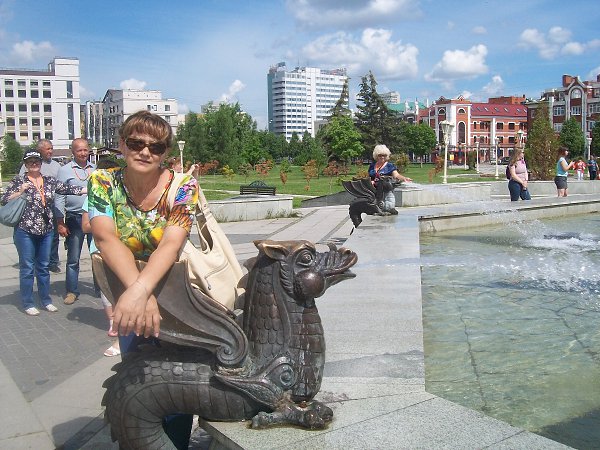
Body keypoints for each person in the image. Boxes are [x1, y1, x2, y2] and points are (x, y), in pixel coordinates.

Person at [87, 110, 198, 448]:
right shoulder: (102, 181)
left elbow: (172, 243)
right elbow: (105, 238)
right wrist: (139, 293)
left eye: (156, 146)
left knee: (178, 379)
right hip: (126, 289)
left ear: (165, 152)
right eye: (136, 143)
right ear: (122, 144)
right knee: (138, 375)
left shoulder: (183, 185)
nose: (145, 152)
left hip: (174, 295)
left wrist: (141, 290)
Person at [2, 151, 85, 316]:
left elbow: (68, 189)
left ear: (41, 163)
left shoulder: (49, 181)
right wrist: (20, 191)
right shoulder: (19, 180)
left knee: (43, 267)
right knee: (27, 267)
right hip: (25, 230)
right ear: (25, 164)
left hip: (46, 230)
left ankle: (45, 300)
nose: (34, 164)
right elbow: (4, 199)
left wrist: (89, 189)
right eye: (30, 161)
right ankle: (28, 302)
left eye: (36, 161)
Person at [81, 158, 121, 357]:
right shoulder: (92, 197)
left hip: (121, 248)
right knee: (105, 288)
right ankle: (113, 323)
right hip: (99, 249)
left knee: (122, 288)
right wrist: (105, 223)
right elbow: (85, 226)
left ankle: (122, 330)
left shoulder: (121, 194)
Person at [55, 138, 96, 305]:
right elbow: (59, 196)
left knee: (98, 255)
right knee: (73, 258)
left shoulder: (95, 168)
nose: (83, 153)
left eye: (85, 150)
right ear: (73, 152)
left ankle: (101, 289)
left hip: (94, 217)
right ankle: (72, 291)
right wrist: (60, 221)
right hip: (74, 217)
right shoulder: (64, 170)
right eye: (79, 150)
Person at [19, 139, 62, 272]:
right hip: (32, 209)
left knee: (53, 236)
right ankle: (35, 260)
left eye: (51, 148)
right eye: (48, 149)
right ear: (40, 150)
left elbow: (62, 186)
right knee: (34, 237)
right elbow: (20, 183)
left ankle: (53, 261)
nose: (50, 151)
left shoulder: (56, 165)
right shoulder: (29, 166)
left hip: (51, 206)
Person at [368, 144, 412, 212]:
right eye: (380, 155)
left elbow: (396, 175)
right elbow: (369, 177)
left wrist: (404, 178)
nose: (382, 157)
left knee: (389, 207)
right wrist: (371, 181)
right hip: (373, 192)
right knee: (375, 210)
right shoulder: (372, 166)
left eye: (384, 155)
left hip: (386, 191)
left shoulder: (389, 166)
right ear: (376, 155)